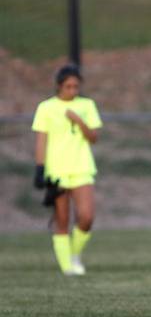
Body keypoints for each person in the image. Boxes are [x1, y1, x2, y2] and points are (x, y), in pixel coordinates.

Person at [32, 64, 102, 276]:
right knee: (62, 219)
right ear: (59, 86)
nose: (72, 91)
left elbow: (94, 138)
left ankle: (74, 254)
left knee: (87, 217)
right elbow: (41, 141)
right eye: (68, 86)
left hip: (81, 167)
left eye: (75, 86)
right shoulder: (46, 108)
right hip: (57, 171)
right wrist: (40, 168)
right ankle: (67, 268)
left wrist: (79, 120)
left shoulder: (87, 105)